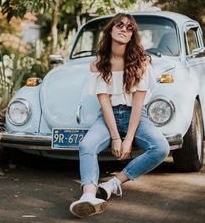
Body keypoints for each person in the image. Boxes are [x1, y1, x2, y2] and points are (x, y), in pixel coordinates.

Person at [69, 13, 170, 218]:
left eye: (129, 27)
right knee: (86, 146)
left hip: (135, 115)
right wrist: (116, 137)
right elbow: (104, 103)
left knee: (161, 147)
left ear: (133, 35)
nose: (124, 29)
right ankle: (88, 195)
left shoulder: (141, 62)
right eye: (119, 24)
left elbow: (138, 103)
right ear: (111, 29)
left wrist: (128, 139)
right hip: (108, 116)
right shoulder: (98, 65)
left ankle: (115, 182)